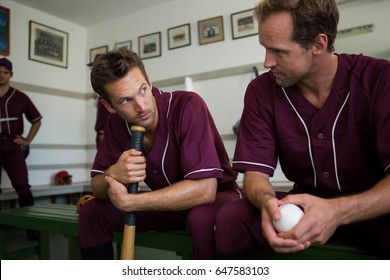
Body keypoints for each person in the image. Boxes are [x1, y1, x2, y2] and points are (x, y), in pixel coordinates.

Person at [216, 0, 390, 259]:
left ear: (318, 44)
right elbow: (254, 175)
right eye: (265, 48)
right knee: (233, 218)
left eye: (279, 51)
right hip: (301, 205)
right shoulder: (261, 91)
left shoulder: (380, 79)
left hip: (372, 208)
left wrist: (337, 211)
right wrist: (268, 205)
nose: (266, 62)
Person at [78, 48, 243, 259]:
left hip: (217, 200)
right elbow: (97, 187)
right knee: (91, 212)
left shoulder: (187, 106)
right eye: (125, 101)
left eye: (143, 90)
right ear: (109, 106)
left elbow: (205, 191)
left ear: (149, 80)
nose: (141, 106)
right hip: (166, 205)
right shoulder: (115, 124)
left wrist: (133, 202)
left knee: (200, 218)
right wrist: (114, 173)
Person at [0, 58, 42, 209]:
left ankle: (31, 230)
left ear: (11, 75)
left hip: (13, 145)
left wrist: (27, 140)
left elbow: (37, 120)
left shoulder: (20, 97)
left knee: (22, 186)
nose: (2, 75)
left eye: (5, 72)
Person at [87, 55, 110, 149]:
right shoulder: (100, 91)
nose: (92, 70)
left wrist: (108, 133)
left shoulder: (109, 93)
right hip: (102, 134)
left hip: (106, 135)